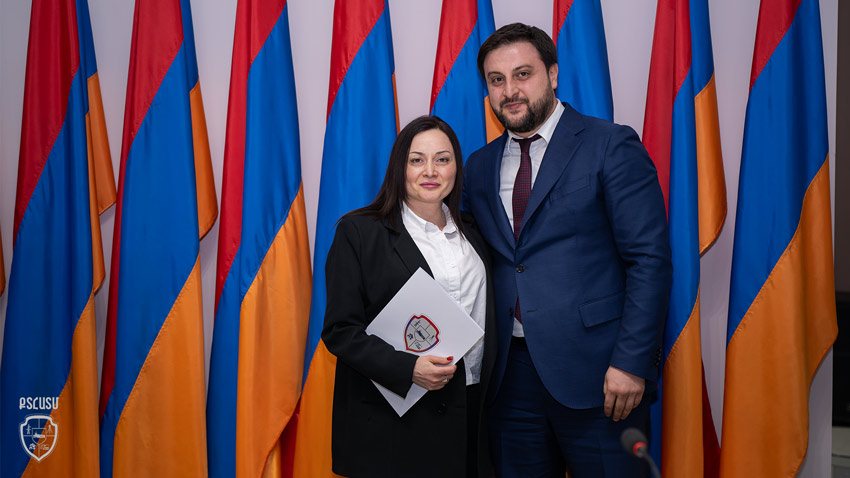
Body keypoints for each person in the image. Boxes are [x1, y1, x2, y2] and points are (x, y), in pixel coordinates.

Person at [463, 23, 672, 477]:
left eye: (522, 74)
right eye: (497, 80)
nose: (509, 91)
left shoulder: (609, 144)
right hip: (509, 383)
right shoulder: (478, 167)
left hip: (601, 377)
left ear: (553, 74)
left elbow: (649, 261)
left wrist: (631, 363)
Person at [321, 116, 497, 478]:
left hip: (475, 413)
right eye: (417, 160)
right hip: (395, 421)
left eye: (442, 159)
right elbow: (340, 330)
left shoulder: (477, 232)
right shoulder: (359, 233)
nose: (430, 171)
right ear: (399, 167)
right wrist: (408, 368)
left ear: (456, 167)